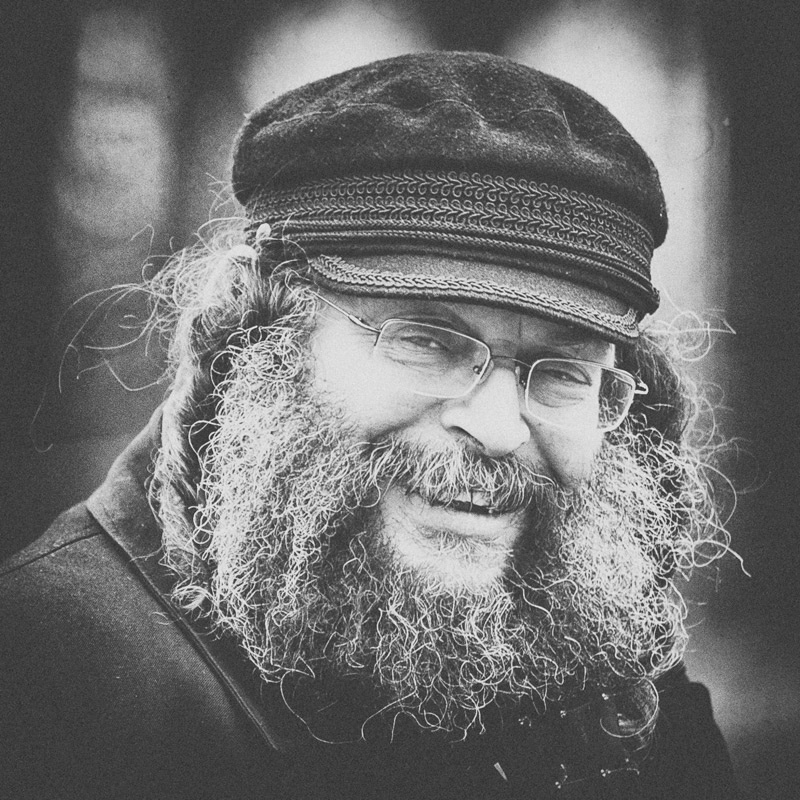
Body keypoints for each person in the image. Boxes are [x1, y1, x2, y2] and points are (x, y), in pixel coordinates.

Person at [0, 52, 738, 799]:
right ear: (260, 340)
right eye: (427, 342)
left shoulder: (621, 683)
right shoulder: (46, 679)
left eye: (565, 372)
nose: (499, 429)